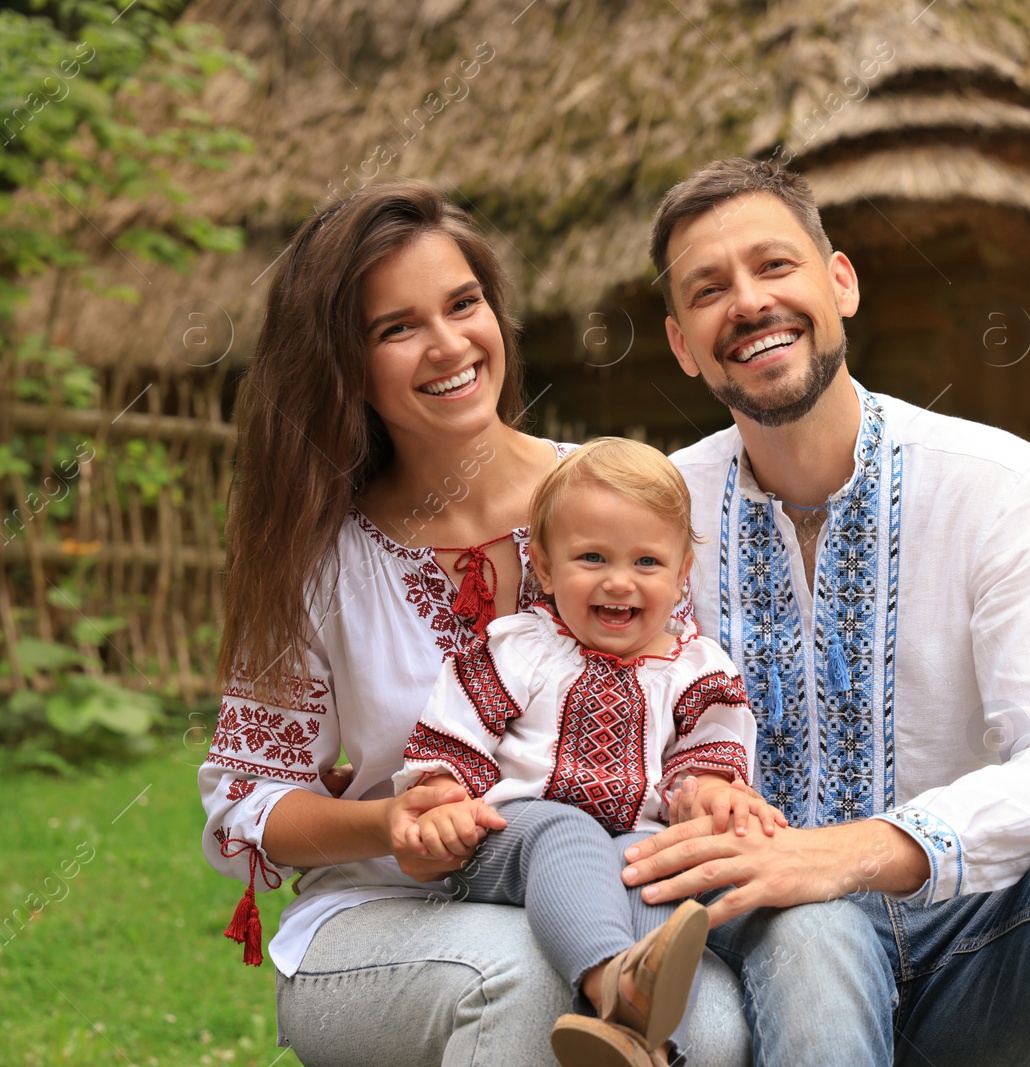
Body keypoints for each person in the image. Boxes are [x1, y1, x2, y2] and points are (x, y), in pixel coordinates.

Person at [199, 178, 860, 1067]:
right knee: (513, 977)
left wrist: (709, 793)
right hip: (379, 914)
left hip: (623, 888)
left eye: (463, 303)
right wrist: (391, 822)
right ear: (344, 362)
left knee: (708, 1027)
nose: (448, 344)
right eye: (397, 328)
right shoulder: (314, 560)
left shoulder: (617, 495)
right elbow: (251, 796)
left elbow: (692, 690)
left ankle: (612, 971)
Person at [618, 158, 1030, 1066]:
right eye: (709, 289)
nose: (747, 302)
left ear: (841, 283)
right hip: (768, 954)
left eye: (775, 266)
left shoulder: (998, 484)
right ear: (682, 344)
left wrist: (853, 851)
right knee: (810, 926)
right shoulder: (657, 516)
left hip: (979, 944)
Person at [394, 437, 784, 1067]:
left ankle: (638, 1044)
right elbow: (452, 736)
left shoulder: (695, 668)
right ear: (545, 569)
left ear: (684, 573)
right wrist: (441, 798)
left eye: (648, 562)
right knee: (565, 827)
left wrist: (710, 794)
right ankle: (612, 984)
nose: (619, 581)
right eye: (592, 557)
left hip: (624, 848)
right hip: (507, 840)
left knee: (653, 863)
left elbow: (708, 759)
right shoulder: (522, 648)